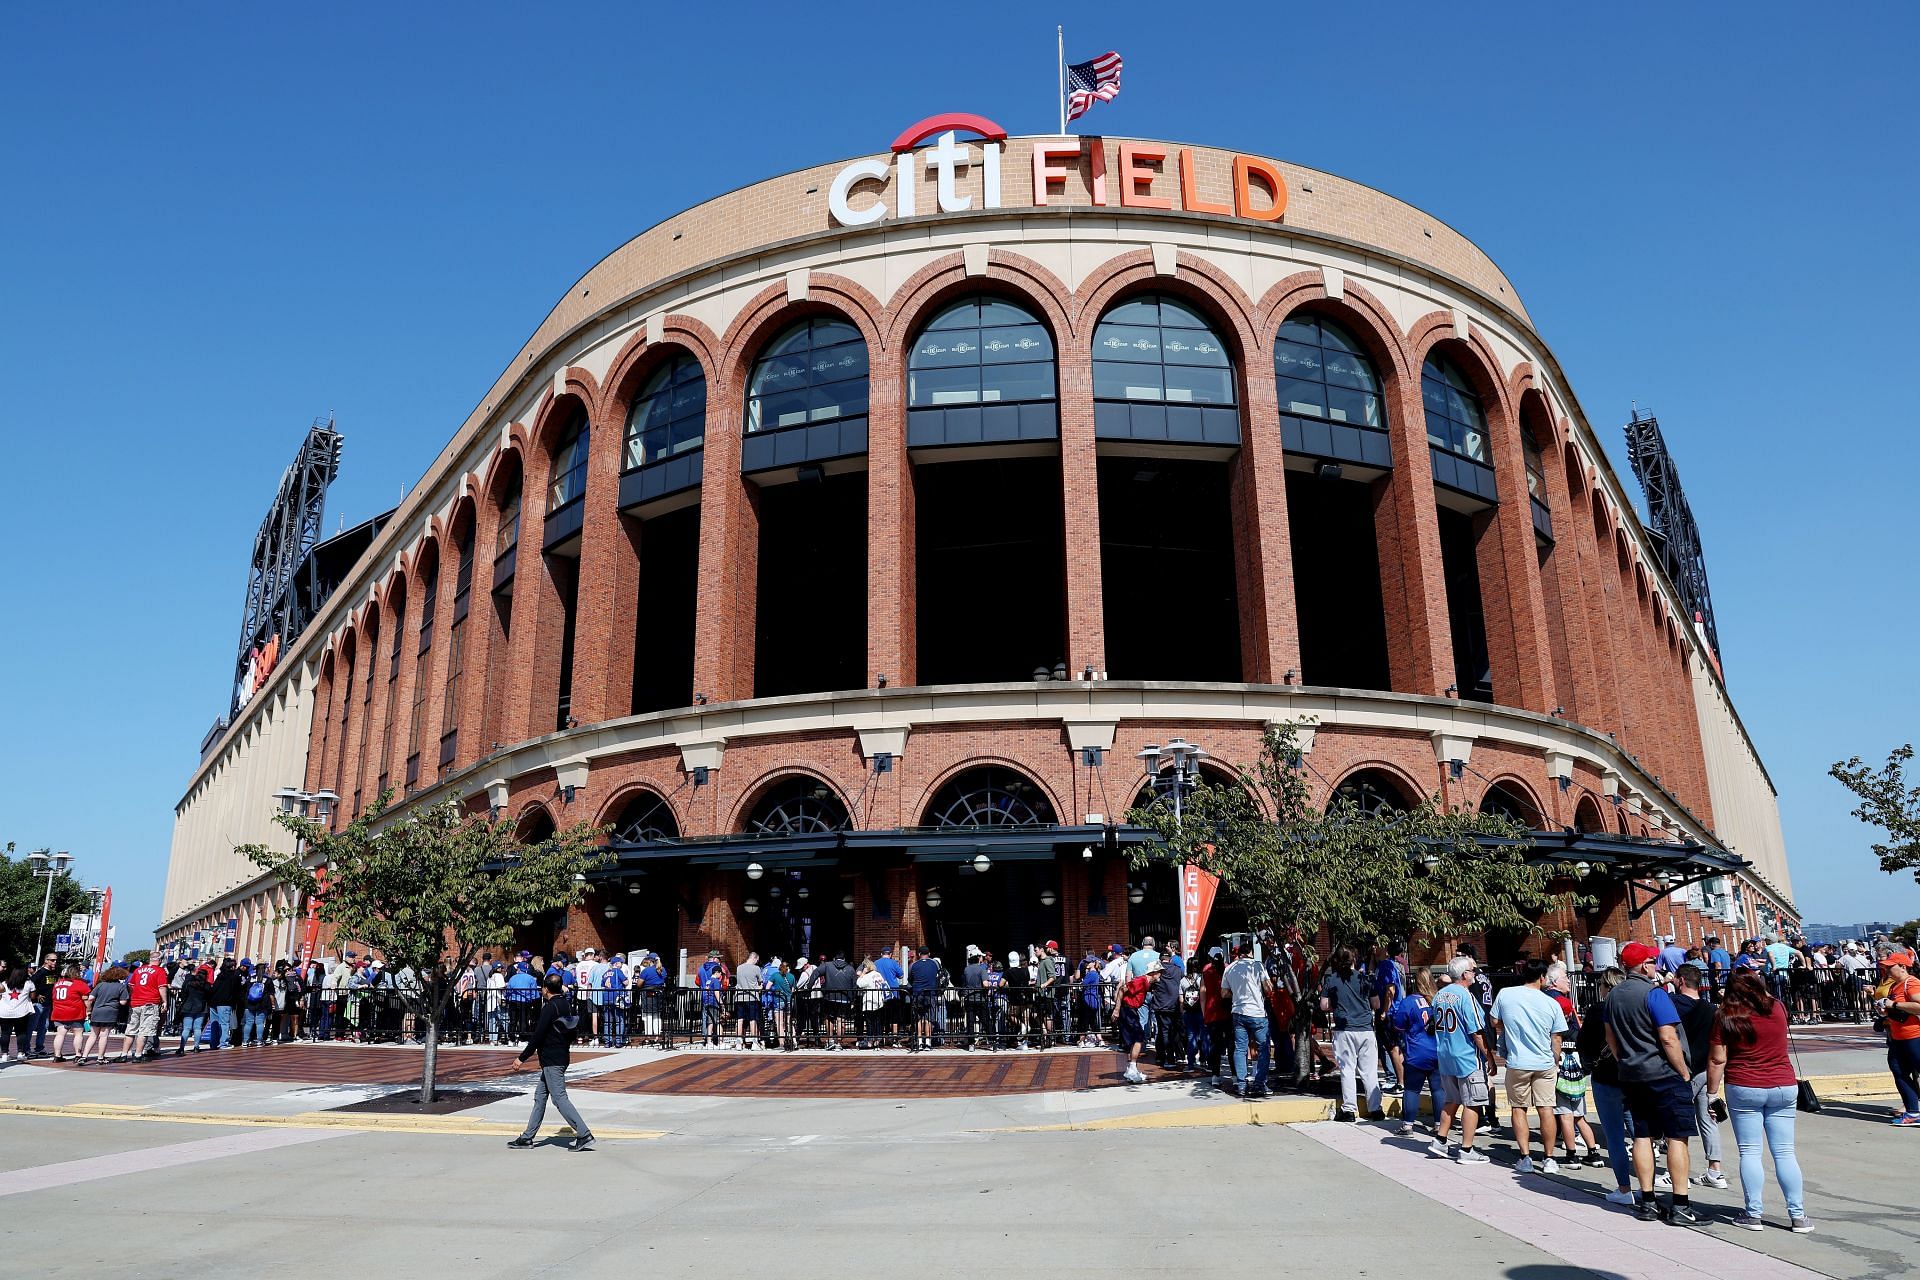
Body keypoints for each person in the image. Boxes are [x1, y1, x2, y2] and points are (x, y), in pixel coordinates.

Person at [1706, 970, 1811, 1233]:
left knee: (1750, 1152)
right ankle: (1798, 1216)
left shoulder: (1725, 1015)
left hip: (1744, 1085)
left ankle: (1753, 1214)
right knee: (1785, 1152)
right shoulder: (1778, 1008)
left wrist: (1711, 1093)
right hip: (1783, 1084)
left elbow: (1718, 1059)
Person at [1605, 941, 1698, 1224]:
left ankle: (1647, 1201)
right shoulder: (1654, 994)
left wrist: (1625, 1061)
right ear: (1644, 964)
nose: (1655, 966)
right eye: (1652, 961)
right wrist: (1683, 1070)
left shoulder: (1613, 996)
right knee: (1676, 1136)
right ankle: (1680, 1203)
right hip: (1663, 1073)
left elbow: (1611, 1038)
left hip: (1633, 1074)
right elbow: (1668, 1037)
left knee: (1641, 1135)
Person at [1489, 958, 1567, 1173]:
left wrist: (1510, 1027)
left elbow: (1494, 1020)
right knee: (1546, 1109)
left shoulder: (1506, 994)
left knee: (1519, 1108)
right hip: (1544, 1062)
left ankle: (1525, 1156)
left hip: (1517, 1061)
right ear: (1542, 977)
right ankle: (1549, 1157)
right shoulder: (1551, 1002)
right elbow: (1557, 1036)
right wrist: (1555, 1058)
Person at [507, 973, 594, 1152]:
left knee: (559, 1098)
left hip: (552, 1060)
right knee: (540, 1097)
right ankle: (527, 1137)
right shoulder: (565, 1004)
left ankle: (584, 1134)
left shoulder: (549, 1007)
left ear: (545, 989)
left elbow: (538, 1036)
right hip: (559, 1056)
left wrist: (521, 1058)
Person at [1669, 963, 1727, 1189]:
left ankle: (1675, 1173)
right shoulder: (1711, 1009)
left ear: (1681, 980)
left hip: (1684, 1069)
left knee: (1675, 1121)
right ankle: (1715, 1170)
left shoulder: (1673, 1005)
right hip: (1706, 1070)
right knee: (1708, 1119)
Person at [1429, 955, 1491, 1162]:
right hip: (1466, 1056)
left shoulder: (1439, 995)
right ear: (1465, 974)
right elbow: (1476, 1031)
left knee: (1451, 1099)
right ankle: (1466, 1149)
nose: (1475, 974)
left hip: (1445, 1054)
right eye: (1473, 970)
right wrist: (1488, 1056)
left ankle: (1441, 1139)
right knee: (1472, 1103)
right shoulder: (1466, 996)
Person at [1544, 963, 1605, 1167]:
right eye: (1565, 978)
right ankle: (1593, 1152)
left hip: (1562, 1069)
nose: (1569, 981)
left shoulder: (1551, 1008)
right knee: (1580, 1115)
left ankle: (1571, 1155)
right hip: (1577, 1069)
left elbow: (1555, 1041)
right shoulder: (1573, 1028)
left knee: (1565, 1115)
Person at [1320, 947, 1380, 1121]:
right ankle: (1375, 1108)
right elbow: (1375, 1004)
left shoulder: (1332, 980)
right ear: (1354, 959)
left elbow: (1324, 1005)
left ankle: (1348, 1110)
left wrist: (1337, 1006)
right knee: (1369, 1071)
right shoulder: (1365, 979)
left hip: (1344, 1030)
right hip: (1366, 1029)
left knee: (1347, 1070)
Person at [1389, 966, 1441, 1134]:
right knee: (1438, 1089)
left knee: (1412, 1089)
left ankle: (1408, 1126)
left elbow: (1398, 1024)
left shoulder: (1409, 1001)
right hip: (1438, 1050)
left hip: (1417, 1051)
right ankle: (1439, 1125)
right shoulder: (1439, 1000)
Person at [1222, 941, 1273, 1098]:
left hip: (1238, 1012)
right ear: (1251, 952)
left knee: (1240, 1049)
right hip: (1257, 1012)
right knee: (1263, 1048)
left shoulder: (1230, 968)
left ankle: (1242, 1084)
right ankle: (1259, 1083)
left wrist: (1236, 995)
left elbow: (1224, 993)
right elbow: (1268, 988)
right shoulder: (1258, 966)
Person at [1876, 949, 1920, 1123]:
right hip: (1898, 1036)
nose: (1887, 970)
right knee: (1899, 1071)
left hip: (1914, 1036)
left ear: (1902, 966)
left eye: (1890, 967)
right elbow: (1896, 1008)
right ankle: (1913, 1112)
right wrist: (1884, 1010)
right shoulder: (1895, 985)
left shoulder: (1912, 983)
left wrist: (1894, 1004)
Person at [77, 964, 131, 1066]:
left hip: (97, 1011)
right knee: (104, 1035)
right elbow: (123, 1002)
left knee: (93, 1035)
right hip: (110, 1012)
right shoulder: (121, 987)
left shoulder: (100, 985)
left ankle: (84, 1056)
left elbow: (91, 998)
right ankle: (100, 1057)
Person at [1114, 958, 1156, 1084]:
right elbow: (1122, 989)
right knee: (1139, 1038)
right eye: (1160, 972)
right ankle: (1132, 1067)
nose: (1161, 975)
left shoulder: (1146, 983)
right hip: (1128, 1010)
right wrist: (1117, 1009)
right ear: (1154, 973)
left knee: (1136, 1039)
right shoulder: (1141, 981)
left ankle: (1132, 1068)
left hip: (1131, 1010)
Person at [49, 965, 91, 1060]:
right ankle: (78, 1054)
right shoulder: (79, 983)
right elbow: (86, 999)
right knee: (78, 1033)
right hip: (75, 1012)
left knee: (60, 1034)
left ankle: (57, 1055)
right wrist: (89, 1010)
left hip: (58, 1011)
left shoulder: (57, 983)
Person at [176, 962, 213, 1053]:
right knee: (197, 1028)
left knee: (186, 1028)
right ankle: (196, 1046)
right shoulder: (206, 985)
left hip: (188, 1006)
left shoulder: (190, 984)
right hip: (201, 1007)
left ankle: (181, 1047)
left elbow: (184, 994)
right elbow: (209, 996)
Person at [908, 945, 940, 1051]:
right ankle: (928, 1042)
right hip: (930, 993)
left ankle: (920, 1041)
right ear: (929, 954)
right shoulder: (935, 964)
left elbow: (910, 979)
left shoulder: (914, 965)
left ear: (919, 954)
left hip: (917, 993)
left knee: (918, 1019)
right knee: (928, 1019)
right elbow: (938, 977)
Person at [0, 968, 35, 1063]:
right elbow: (32, 996)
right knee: (21, 1033)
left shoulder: (4, 983)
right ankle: (20, 1053)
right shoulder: (28, 983)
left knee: (5, 1033)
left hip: (4, 1012)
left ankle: (4, 1054)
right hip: (22, 1012)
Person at [28, 952, 58, 1058]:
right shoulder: (40, 973)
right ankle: (26, 1049)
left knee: (43, 1027)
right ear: (46, 961)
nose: (55, 962)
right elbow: (30, 984)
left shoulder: (54, 973)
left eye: (55, 960)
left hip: (48, 1004)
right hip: (38, 1004)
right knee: (31, 1026)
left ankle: (39, 1048)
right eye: (52, 960)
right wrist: (36, 996)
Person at [210, 958, 243, 1049]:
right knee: (224, 1023)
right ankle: (223, 1043)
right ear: (232, 966)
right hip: (225, 1002)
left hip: (214, 1002)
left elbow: (214, 988)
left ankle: (213, 1043)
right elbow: (237, 991)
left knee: (215, 1023)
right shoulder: (234, 976)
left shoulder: (220, 975)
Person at [734, 951, 764, 1050]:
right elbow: (760, 982)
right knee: (753, 1019)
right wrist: (759, 987)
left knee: (740, 1019)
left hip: (739, 996)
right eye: (757, 960)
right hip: (752, 997)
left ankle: (739, 1042)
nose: (757, 962)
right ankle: (754, 1042)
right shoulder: (756, 968)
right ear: (754, 958)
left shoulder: (739, 968)